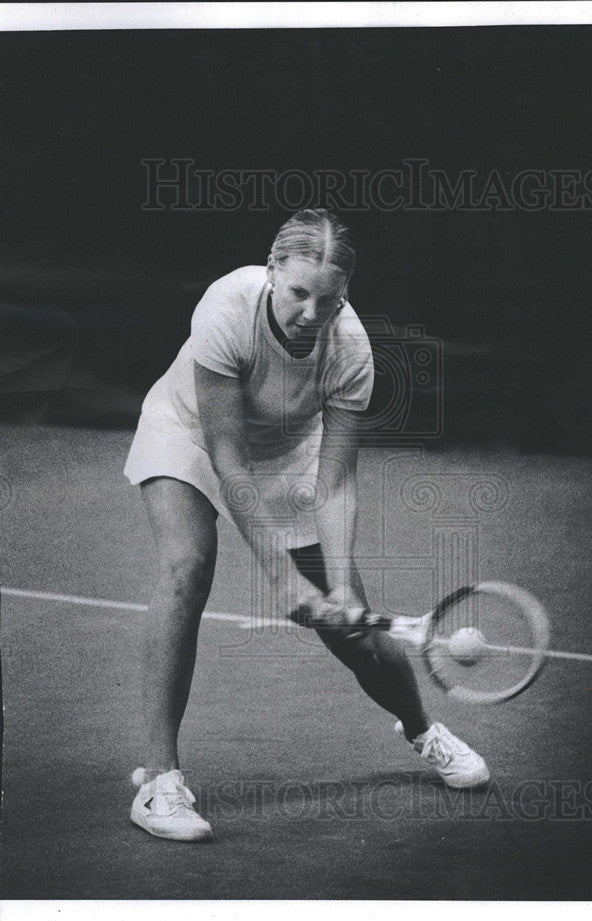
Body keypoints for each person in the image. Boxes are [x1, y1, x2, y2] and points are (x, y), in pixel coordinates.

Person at [123, 208, 488, 841]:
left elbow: (336, 478)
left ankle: (423, 729)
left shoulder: (352, 350)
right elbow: (227, 459)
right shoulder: (224, 311)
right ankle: (159, 783)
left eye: (331, 300)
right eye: (298, 293)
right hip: (190, 433)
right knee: (186, 567)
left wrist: (339, 586)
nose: (312, 314)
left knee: (357, 634)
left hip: (290, 450)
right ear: (271, 273)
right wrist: (283, 584)